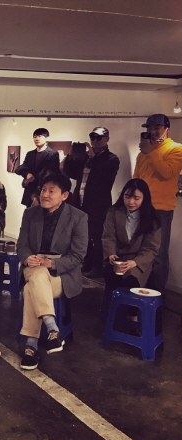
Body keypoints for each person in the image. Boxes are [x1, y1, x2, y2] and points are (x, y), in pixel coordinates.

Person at [16, 172, 87, 370]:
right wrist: (27, 257)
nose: (45, 195)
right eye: (43, 190)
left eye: (51, 191)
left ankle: (31, 345)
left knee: (31, 288)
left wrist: (52, 264)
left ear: (64, 195)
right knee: (37, 274)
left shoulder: (78, 217)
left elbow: (78, 256)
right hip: (33, 266)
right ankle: (52, 329)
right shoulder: (31, 214)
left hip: (61, 274)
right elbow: (21, 245)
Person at [133, 114, 182, 293]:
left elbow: (167, 173)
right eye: (149, 128)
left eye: (156, 128)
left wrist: (151, 152)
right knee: (140, 250)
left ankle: (157, 295)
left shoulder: (176, 149)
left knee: (159, 254)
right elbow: (136, 179)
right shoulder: (143, 153)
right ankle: (140, 290)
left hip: (162, 209)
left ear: (167, 129)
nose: (152, 131)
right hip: (141, 208)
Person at [63, 127, 120, 278]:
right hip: (81, 202)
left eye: (99, 138)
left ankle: (97, 267)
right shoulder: (85, 158)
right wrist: (70, 156)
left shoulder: (112, 159)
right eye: (92, 137)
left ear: (107, 139)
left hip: (99, 204)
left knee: (98, 236)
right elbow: (69, 173)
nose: (95, 141)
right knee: (83, 235)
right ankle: (86, 263)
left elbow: (105, 176)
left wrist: (94, 158)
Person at [101, 179, 161, 314]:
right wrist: (111, 254)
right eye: (127, 197)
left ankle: (132, 314)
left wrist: (135, 262)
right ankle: (114, 312)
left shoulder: (152, 218)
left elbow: (151, 248)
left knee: (131, 278)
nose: (131, 202)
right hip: (118, 257)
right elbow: (108, 237)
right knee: (109, 273)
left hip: (138, 261)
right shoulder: (114, 212)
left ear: (144, 198)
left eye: (136, 198)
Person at [15, 128, 59, 207]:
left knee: (43, 213)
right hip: (29, 191)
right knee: (29, 213)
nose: (36, 139)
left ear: (46, 138)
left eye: (39, 136)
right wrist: (27, 174)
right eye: (35, 137)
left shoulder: (53, 154)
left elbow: (52, 173)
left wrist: (34, 177)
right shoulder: (30, 154)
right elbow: (21, 167)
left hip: (43, 191)